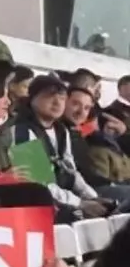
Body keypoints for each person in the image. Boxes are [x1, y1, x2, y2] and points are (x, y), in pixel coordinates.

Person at [9, 76, 111, 218]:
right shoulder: (21, 132)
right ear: (32, 98)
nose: (57, 103)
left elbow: (70, 171)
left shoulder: (61, 130)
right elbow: (38, 184)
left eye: (62, 98)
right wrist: (80, 204)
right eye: (49, 96)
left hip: (60, 198)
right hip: (34, 205)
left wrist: (92, 197)